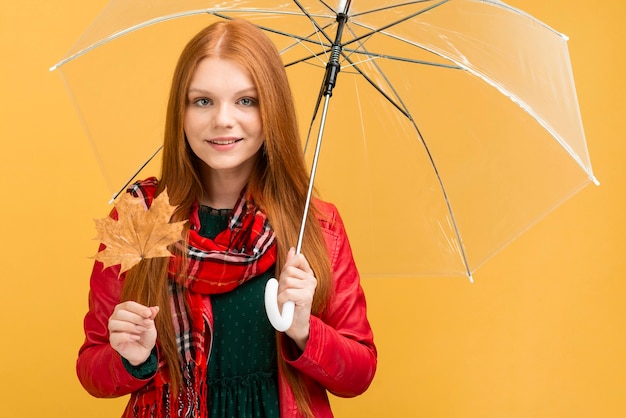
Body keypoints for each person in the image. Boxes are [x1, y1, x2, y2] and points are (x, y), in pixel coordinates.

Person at [77, 19, 376, 418]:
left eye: (246, 101)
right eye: (203, 101)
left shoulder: (314, 224)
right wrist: (130, 357)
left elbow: (359, 374)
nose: (223, 120)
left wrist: (305, 329)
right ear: (180, 111)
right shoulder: (140, 218)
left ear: (272, 108)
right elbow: (90, 368)